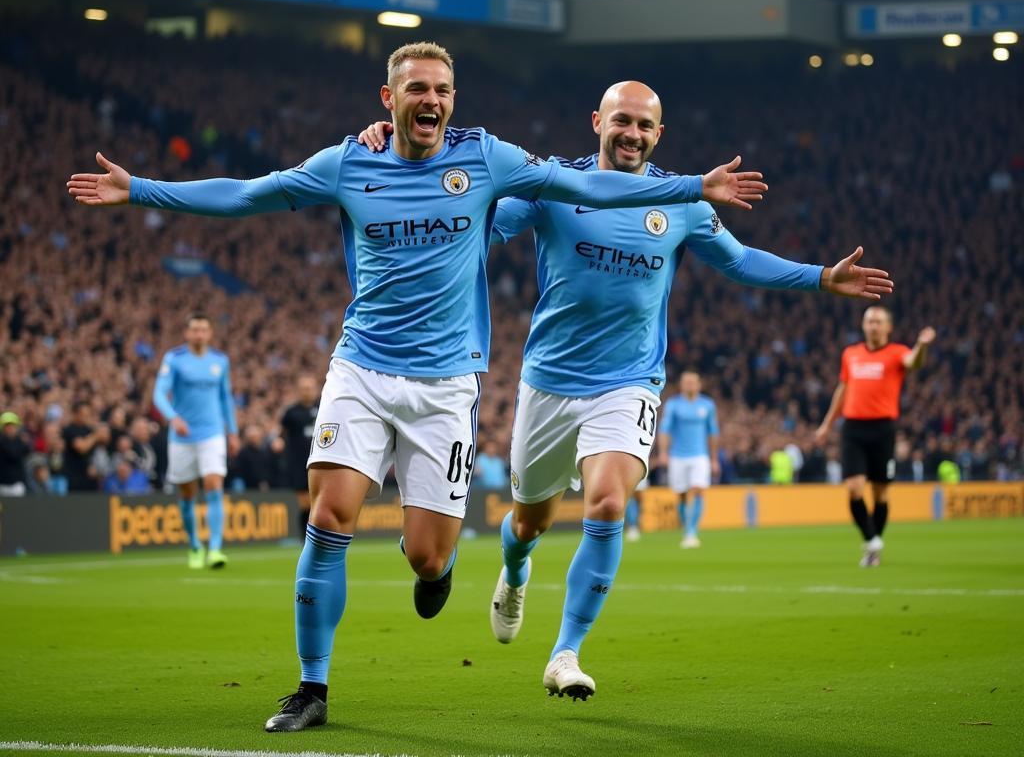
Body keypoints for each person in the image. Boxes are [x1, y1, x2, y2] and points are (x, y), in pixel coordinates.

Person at [68, 42, 764, 733]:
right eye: (417, 88)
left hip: (446, 385)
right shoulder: (348, 162)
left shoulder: (487, 157)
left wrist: (690, 187)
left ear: (453, 99)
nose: (430, 99)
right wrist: (139, 189)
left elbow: (586, 185)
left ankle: (437, 574)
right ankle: (312, 686)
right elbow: (251, 194)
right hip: (362, 369)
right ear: (389, 97)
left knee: (427, 554)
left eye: (442, 89)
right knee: (329, 516)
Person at [360, 78, 891, 701]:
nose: (632, 133)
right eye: (622, 122)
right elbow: (473, 222)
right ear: (597, 122)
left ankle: (565, 653)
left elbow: (740, 260)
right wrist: (394, 150)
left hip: (628, 382)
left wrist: (821, 277)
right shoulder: (553, 186)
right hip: (548, 384)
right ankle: (514, 568)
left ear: (658, 134)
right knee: (529, 521)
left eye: (644, 125)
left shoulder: (683, 205)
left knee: (609, 503)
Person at [814, 307, 935, 567]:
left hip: (883, 429)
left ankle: (873, 548)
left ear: (888, 327)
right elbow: (843, 390)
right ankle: (871, 539)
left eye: (878, 322)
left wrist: (922, 346)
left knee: (880, 494)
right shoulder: (851, 354)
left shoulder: (897, 352)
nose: (873, 326)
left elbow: (914, 362)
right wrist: (826, 424)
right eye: (869, 321)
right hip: (853, 428)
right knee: (854, 488)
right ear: (863, 325)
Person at [152, 313, 240, 571]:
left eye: (204, 329)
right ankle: (194, 544)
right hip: (182, 436)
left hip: (212, 433)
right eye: (195, 330)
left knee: (214, 484)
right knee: (187, 492)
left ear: (210, 333)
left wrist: (232, 432)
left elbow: (225, 398)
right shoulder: (174, 359)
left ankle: (214, 548)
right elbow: (158, 393)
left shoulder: (220, 361)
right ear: (187, 334)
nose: (199, 334)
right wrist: (172, 418)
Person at [658, 371, 719, 549]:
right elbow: (665, 430)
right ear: (681, 385)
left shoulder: (707, 405)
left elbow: (713, 432)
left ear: (699, 384)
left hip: (700, 456)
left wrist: (714, 459)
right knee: (682, 494)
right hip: (678, 456)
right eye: (686, 382)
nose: (690, 385)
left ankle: (692, 531)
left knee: (699, 490)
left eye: (693, 382)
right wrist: (663, 452)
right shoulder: (674, 405)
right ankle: (687, 529)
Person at [279, 375, 321, 534]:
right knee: (305, 503)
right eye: (303, 389)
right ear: (298, 391)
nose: (307, 392)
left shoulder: (324, 407)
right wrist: (279, 442)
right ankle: (305, 537)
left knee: (319, 502)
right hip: (299, 463)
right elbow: (282, 433)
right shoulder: (291, 413)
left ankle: (318, 537)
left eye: (309, 388)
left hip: (321, 461)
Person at [0, 411, 30, 497]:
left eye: (12, 426)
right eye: (7, 426)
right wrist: (23, 444)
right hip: (2, 484)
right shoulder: (1, 442)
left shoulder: (20, 441)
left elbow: (28, 451)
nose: (10, 428)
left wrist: (24, 443)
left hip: (17, 484)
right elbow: (13, 454)